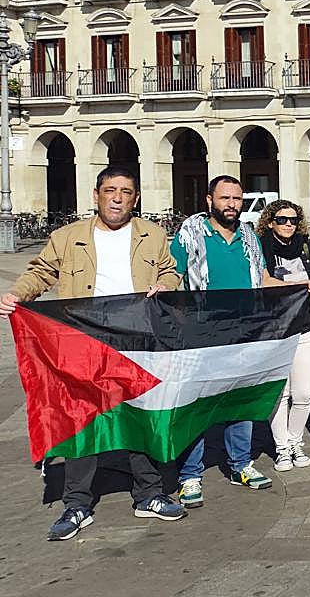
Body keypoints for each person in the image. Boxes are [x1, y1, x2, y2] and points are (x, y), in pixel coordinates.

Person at [1, 166, 185, 540]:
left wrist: (165, 284)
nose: (118, 198)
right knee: (82, 419)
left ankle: (148, 494)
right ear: (96, 194)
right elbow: (41, 271)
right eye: (111, 190)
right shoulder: (68, 237)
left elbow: (171, 271)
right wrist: (18, 294)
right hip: (82, 341)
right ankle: (77, 504)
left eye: (127, 192)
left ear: (135, 199)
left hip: (136, 340)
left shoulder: (152, 235)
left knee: (140, 417)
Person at [173, 175, 272, 507]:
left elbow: (261, 278)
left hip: (241, 333)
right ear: (209, 200)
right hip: (201, 333)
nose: (232, 204)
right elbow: (171, 274)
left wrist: (296, 287)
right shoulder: (190, 234)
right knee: (197, 404)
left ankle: (241, 464)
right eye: (225, 198)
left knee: (239, 401)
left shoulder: (249, 237)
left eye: (237, 199)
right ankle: (189, 475)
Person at [257, 200, 310, 470]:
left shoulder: (308, 248)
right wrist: (294, 283)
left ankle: (296, 441)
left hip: (306, 325)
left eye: (293, 220)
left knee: (305, 392)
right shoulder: (260, 247)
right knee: (280, 393)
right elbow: (261, 282)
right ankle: (281, 447)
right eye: (282, 219)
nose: (288, 224)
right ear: (270, 221)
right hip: (275, 331)